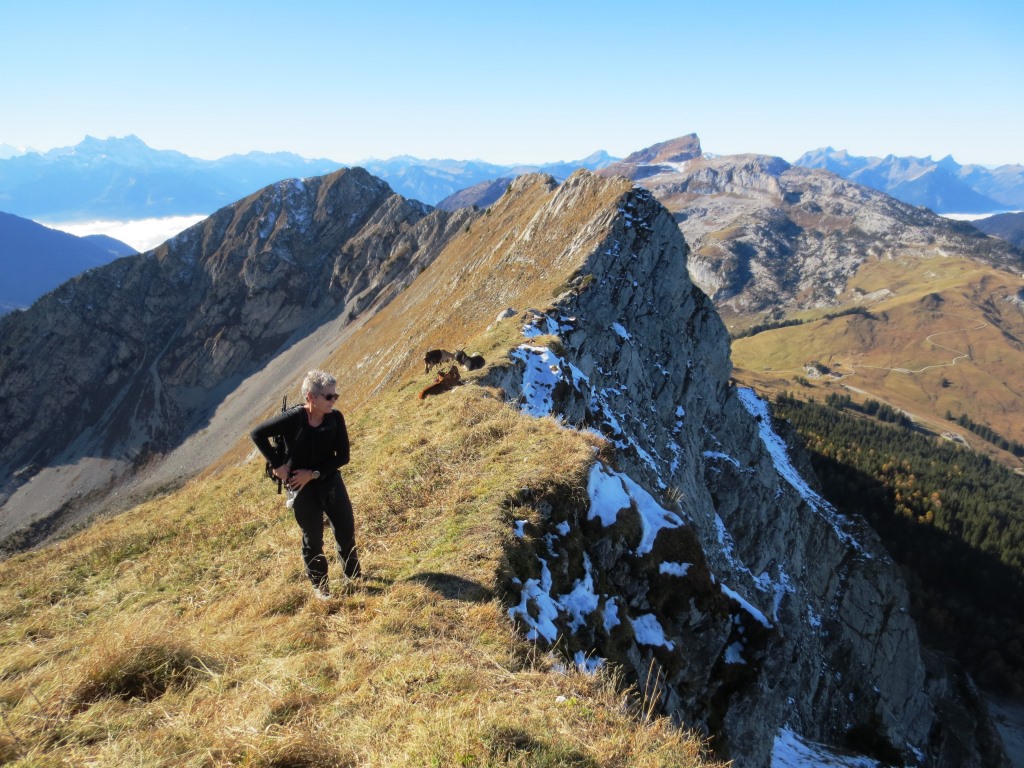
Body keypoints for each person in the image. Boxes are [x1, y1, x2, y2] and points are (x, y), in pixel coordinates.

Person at [250, 370, 361, 600]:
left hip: (328, 480)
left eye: (335, 395)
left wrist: (313, 473)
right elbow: (257, 433)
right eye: (328, 396)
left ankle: (354, 577)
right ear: (311, 397)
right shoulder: (294, 419)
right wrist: (277, 464)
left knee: (345, 529)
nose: (334, 400)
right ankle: (321, 586)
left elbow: (343, 457)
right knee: (313, 539)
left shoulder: (335, 418)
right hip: (301, 489)